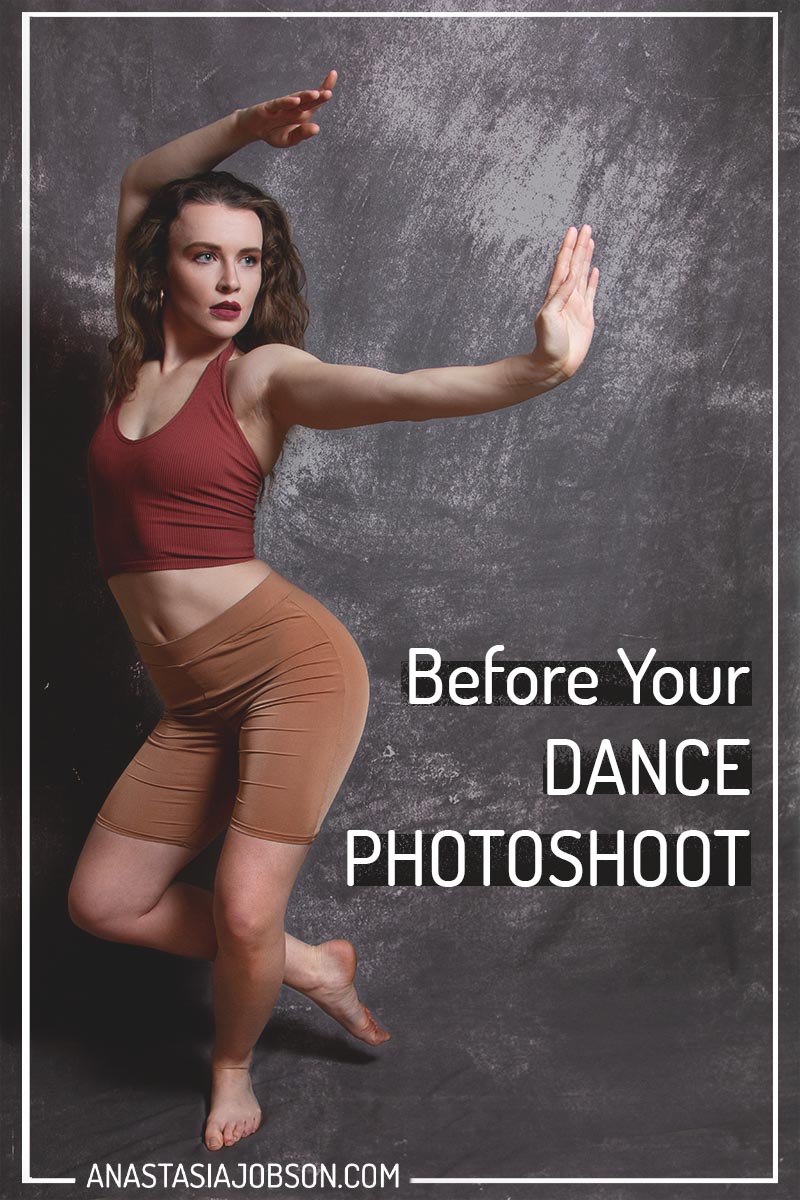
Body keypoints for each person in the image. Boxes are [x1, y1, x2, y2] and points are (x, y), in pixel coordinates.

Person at [68, 68, 599, 1153]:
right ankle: (310, 964)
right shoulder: (132, 372)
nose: (230, 281)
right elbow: (140, 178)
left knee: (244, 907)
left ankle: (232, 1066)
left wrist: (534, 370)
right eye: (204, 254)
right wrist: (244, 133)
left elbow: (400, 388)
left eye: (250, 261)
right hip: (192, 701)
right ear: (157, 265)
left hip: (287, 670)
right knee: (103, 903)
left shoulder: (259, 376)